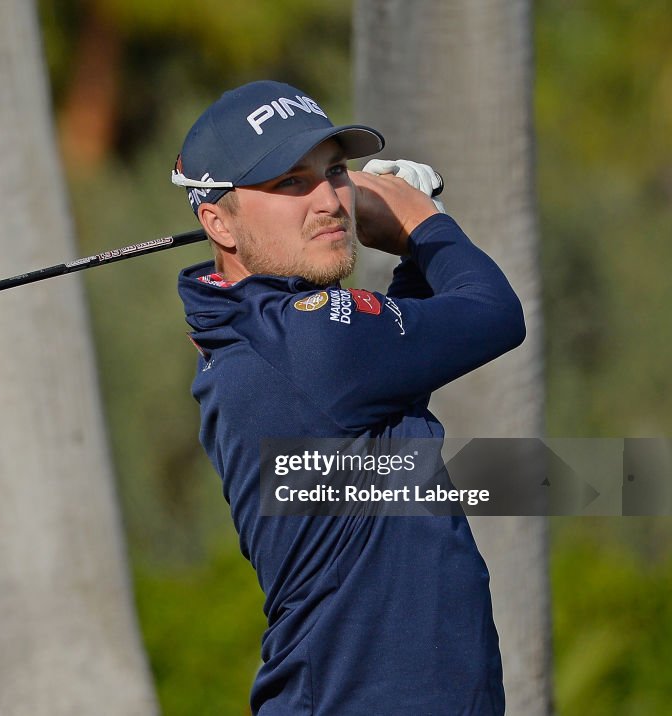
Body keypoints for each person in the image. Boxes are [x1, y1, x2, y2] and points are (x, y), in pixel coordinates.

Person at [172, 80, 524, 714]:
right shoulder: (309, 344)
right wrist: (424, 225)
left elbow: (399, 356)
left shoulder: (269, 336)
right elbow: (493, 314)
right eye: (290, 182)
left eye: (334, 172)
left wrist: (415, 258)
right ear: (217, 221)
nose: (330, 201)